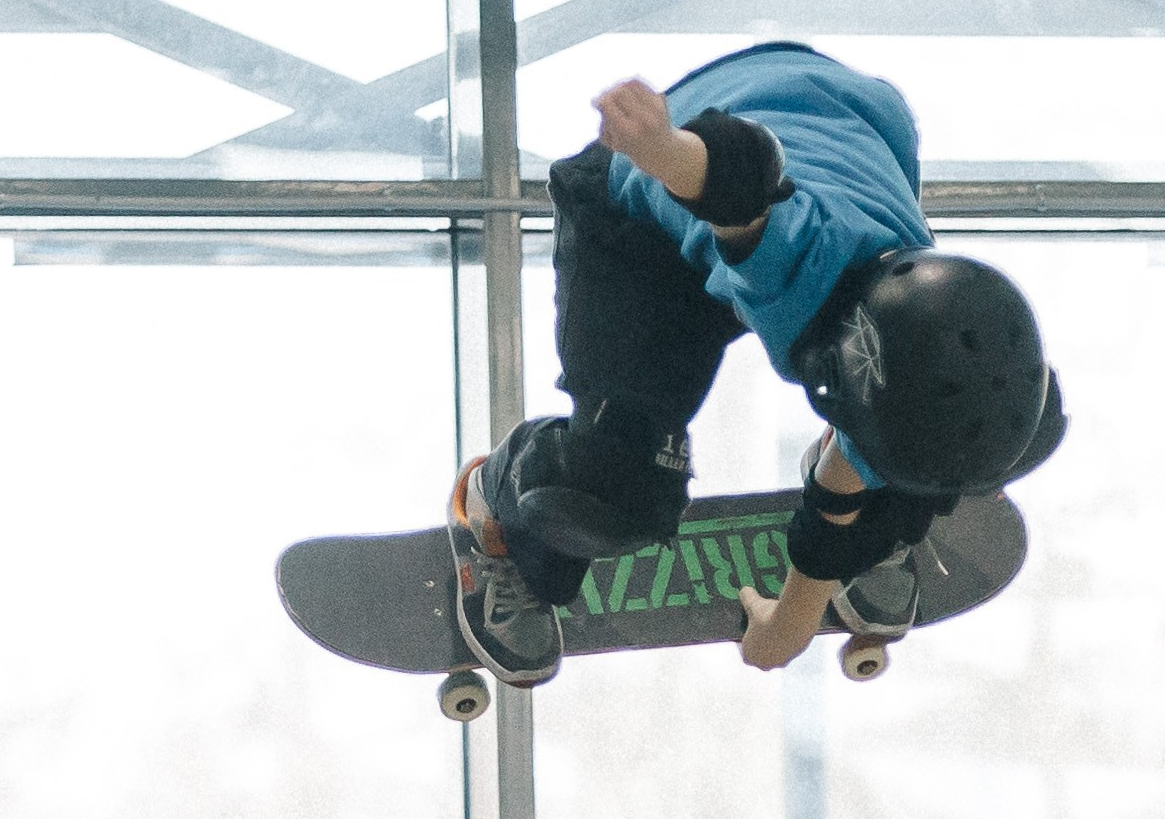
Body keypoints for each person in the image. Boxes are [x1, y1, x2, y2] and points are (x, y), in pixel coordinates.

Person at [450, 40, 1067, 686]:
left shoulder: (942, 310)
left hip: (840, 100)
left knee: (934, 458)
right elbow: (738, 178)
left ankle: (881, 491)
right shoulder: (798, 265)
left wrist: (789, 623)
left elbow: (861, 473)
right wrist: (660, 149)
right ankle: (493, 505)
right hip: (644, 207)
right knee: (605, 494)